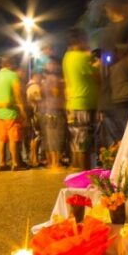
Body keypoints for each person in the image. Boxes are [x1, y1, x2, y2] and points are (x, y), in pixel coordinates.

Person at [63, 28, 99, 171]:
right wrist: (97, 64)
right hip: (85, 102)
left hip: (73, 103)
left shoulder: (67, 57)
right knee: (85, 142)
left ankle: (78, 172)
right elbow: (97, 77)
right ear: (79, 40)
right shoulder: (84, 57)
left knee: (77, 141)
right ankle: (86, 175)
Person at [40, 59, 67, 170]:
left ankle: (51, 163)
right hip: (56, 110)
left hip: (46, 111)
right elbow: (55, 92)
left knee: (49, 138)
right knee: (57, 137)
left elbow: (42, 94)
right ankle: (56, 163)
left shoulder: (44, 80)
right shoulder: (55, 80)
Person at [25, 72, 43, 168]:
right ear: (35, 76)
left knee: (33, 137)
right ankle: (34, 159)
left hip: (31, 114)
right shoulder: (34, 87)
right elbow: (39, 100)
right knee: (37, 136)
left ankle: (33, 158)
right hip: (35, 114)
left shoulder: (28, 85)